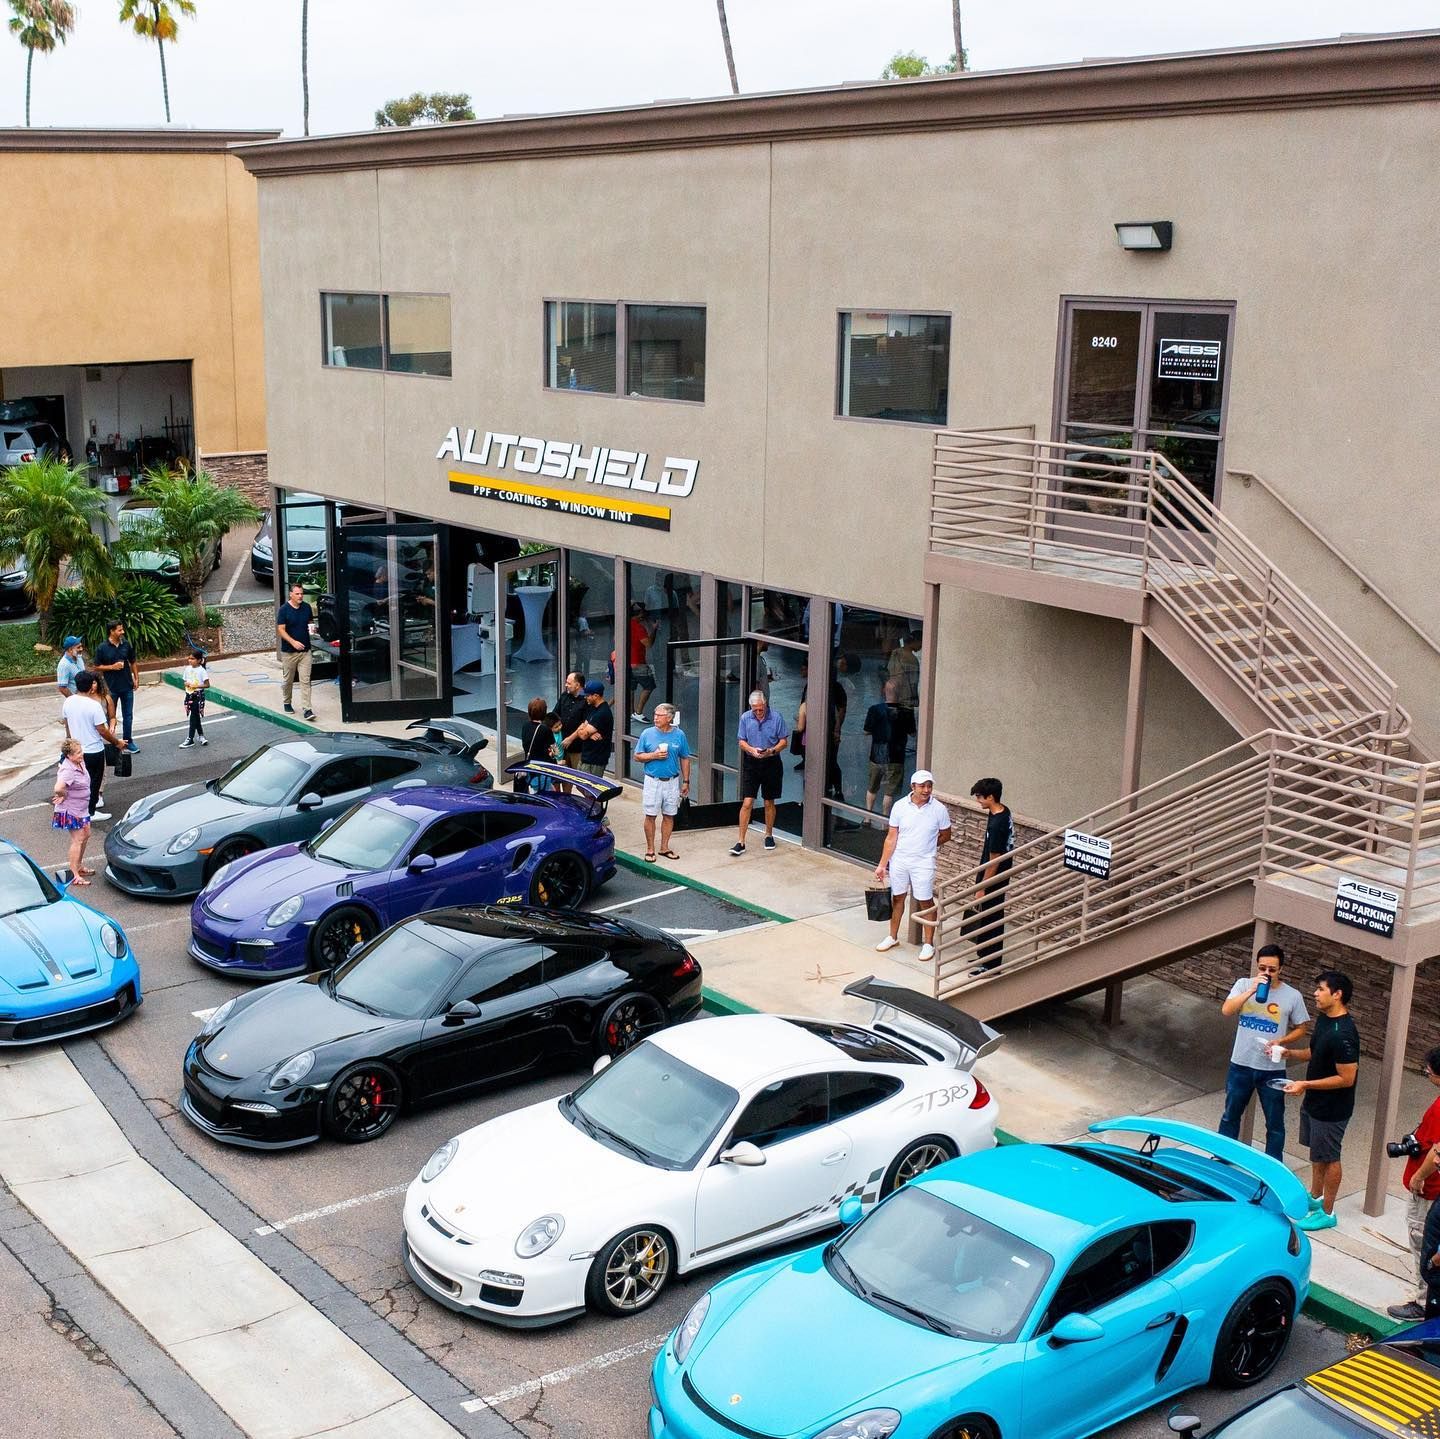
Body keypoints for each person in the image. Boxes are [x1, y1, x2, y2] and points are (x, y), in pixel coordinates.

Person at [1280, 970, 1360, 1230]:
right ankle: (1315, 1198)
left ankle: (1328, 1212)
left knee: (1330, 1156)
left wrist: (1305, 1084)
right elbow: (1315, 1053)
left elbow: (1346, 1077)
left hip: (1333, 1108)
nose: (1315, 993)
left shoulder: (1344, 1033)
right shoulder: (1325, 1021)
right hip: (1315, 1101)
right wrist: (1287, 1053)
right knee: (1318, 1154)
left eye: (1321, 989)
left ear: (1337, 995)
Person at [1216, 943, 1310, 1161]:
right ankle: (1221, 1158)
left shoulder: (1292, 996)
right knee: (1231, 1115)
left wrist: (1283, 1040)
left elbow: (1302, 1028)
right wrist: (1251, 989)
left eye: (1272, 970)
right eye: (1262, 968)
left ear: (1281, 969)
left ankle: (1273, 1164)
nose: (1267, 973)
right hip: (1241, 1064)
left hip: (1272, 1068)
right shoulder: (1244, 984)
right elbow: (1227, 1010)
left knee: (1275, 1121)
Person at [873, 770, 952, 962]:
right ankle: (892, 937)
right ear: (913, 787)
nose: (926, 790)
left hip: (923, 862)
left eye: (929, 786)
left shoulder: (939, 809)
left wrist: (928, 846)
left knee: (925, 901)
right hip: (900, 860)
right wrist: (882, 865)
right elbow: (891, 838)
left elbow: (946, 834)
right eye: (922, 786)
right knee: (898, 898)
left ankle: (928, 944)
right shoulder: (900, 807)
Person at [1386, 1047, 1440, 1321]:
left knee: (1423, 1245)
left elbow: (1438, 1150)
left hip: (1429, 1192)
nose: (1427, 1074)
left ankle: (1422, 1302)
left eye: (1429, 1071)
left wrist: (1419, 1176)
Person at [731, 691, 788, 856]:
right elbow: (741, 741)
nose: (757, 712)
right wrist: (751, 750)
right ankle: (741, 841)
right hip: (752, 762)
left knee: (769, 801)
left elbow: (784, 741)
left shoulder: (776, 718)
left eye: (760, 709)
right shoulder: (745, 718)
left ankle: (769, 834)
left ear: (765, 704)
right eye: (754, 709)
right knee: (747, 802)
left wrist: (771, 750)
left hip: (771, 762)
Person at [968, 777, 1015, 973]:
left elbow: (995, 859)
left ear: (990, 797)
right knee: (986, 916)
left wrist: (982, 887)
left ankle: (992, 964)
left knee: (991, 917)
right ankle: (984, 955)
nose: (977, 800)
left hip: (995, 877)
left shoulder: (997, 825)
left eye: (979, 797)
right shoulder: (1001, 812)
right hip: (992, 873)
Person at [636, 704, 691, 862]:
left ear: (669, 718)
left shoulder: (679, 735)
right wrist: (653, 755)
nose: (655, 718)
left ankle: (664, 847)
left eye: (659, 715)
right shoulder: (647, 734)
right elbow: (637, 756)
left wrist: (686, 781)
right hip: (653, 782)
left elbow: (685, 757)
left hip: (672, 782)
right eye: (654, 714)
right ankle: (650, 849)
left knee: (669, 815)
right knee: (650, 815)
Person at [61, 670, 120, 821]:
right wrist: (117, 742)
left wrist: (70, 742)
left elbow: (67, 725)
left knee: (78, 781)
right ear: (90, 686)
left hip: (76, 750)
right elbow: (102, 730)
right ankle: (90, 812)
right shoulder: (94, 706)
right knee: (93, 782)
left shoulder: (68, 702)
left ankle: (76, 808)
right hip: (94, 750)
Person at [864, 679, 913, 816]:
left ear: (884, 691)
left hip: (877, 754)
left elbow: (866, 731)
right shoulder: (906, 712)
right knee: (889, 792)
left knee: (872, 788)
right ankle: (885, 821)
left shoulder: (874, 710)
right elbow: (912, 733)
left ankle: (868, 817)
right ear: (900, 693)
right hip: (896, 756)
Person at [51, 738, 93, 884]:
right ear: (69, 755)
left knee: (86, 834)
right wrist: (62, 795)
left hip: (82, 808)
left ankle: (79, 865)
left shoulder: (79, 762)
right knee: (78, 839)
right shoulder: (68, 770)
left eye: (81, 751)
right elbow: (58, 787)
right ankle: (75, 874)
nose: (81, 754)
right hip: (71, 810)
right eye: (78, 753)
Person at [93, 620, 139, 753]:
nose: (122, 632)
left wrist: (136, 678)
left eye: (122, 629)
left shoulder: (126, 644)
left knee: (128, 715)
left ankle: (128, 741)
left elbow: (133, 661)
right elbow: (96, 666)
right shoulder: (102, 648)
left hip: (127, 686)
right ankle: (113, 742)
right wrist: (112, 667)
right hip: (110, 688)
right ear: (111, 631)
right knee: (109, 716)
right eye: (119, 630)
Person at [276, 582, 316, 720]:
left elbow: (310, 622)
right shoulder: (284, 610)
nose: (300, 596)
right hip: (289, 652)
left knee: (305, 680)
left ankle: (307, 709)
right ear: (291, 594)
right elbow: (281, 629)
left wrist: (312, 629)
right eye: (297, 594)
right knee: (288, 680)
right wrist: (293, 642)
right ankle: (287, 701)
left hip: (305, 651)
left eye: (302, 594)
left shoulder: (306, 607)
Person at [575, 680, 614, 776]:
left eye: (588, 695)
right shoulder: (593, 708)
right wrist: (589, 733)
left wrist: (585, 731)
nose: (585, 697)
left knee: (590, 788)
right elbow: (583, 727)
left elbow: (583, 735)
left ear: (596, 696)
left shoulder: (602, 713)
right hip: (587, 756)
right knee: (580, 785)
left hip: (595, 759)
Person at [628, 601, 657, 722]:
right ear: (640, 614)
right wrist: (654, 630)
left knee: (631, 688)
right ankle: (638, 712)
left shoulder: (627, 624)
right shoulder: (639, 628)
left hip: (628, 662)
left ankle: (629, 712)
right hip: (638, 663)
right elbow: (648, 643)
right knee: (649, 686)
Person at [519, 697, 553, 789]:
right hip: (542, 770)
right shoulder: (545, 729)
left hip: (529, 767)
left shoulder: (525, 726)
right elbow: (553, 751)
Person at [178, 650, 210, 748]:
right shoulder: (187, 669)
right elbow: (185, 681)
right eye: (189, 658)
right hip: (189, 695)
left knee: (194, 716)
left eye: (192, 659)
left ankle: (190, 738)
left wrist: (195, 686)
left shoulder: (202, 671)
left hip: (198, 695)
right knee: (195, 716)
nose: (190, 660)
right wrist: (187, 684)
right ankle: (201, 735)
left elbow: (207, 685)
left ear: (199, 660)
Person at [887, 631, 921, 715]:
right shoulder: (912, 659)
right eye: (921, 643)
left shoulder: (895, 652)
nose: (921, 646)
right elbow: (913, 683)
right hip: (905, 701)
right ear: (916, 641)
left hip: (892, 696)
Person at [55, 636, 85, 706]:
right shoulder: (64, 665)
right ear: (70, 650)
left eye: (81, 646)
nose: (81, 649)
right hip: (75, 702)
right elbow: (62, 688)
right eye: (78, 647)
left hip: (84, 699)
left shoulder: (78, 657)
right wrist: (74, 701)